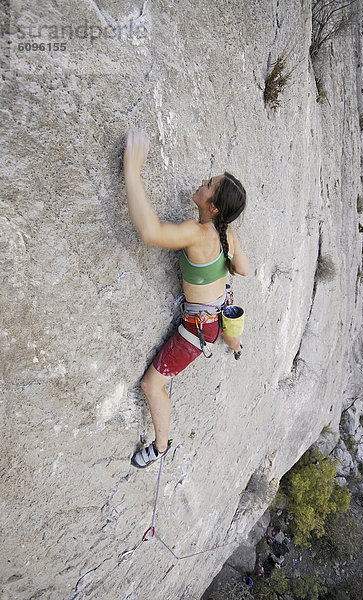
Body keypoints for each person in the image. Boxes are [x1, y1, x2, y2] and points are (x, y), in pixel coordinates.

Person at [124, 128, 249, 469]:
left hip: (198, 331)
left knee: (152, 385)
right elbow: (244, 268)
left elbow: (150, 234)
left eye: (209, 184)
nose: (202, 182)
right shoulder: (227, 235)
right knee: (225, 325)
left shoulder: (198, 233)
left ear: (213, 206)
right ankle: (236, 346)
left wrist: (132, 172)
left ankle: (161, 446)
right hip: (218, 317)